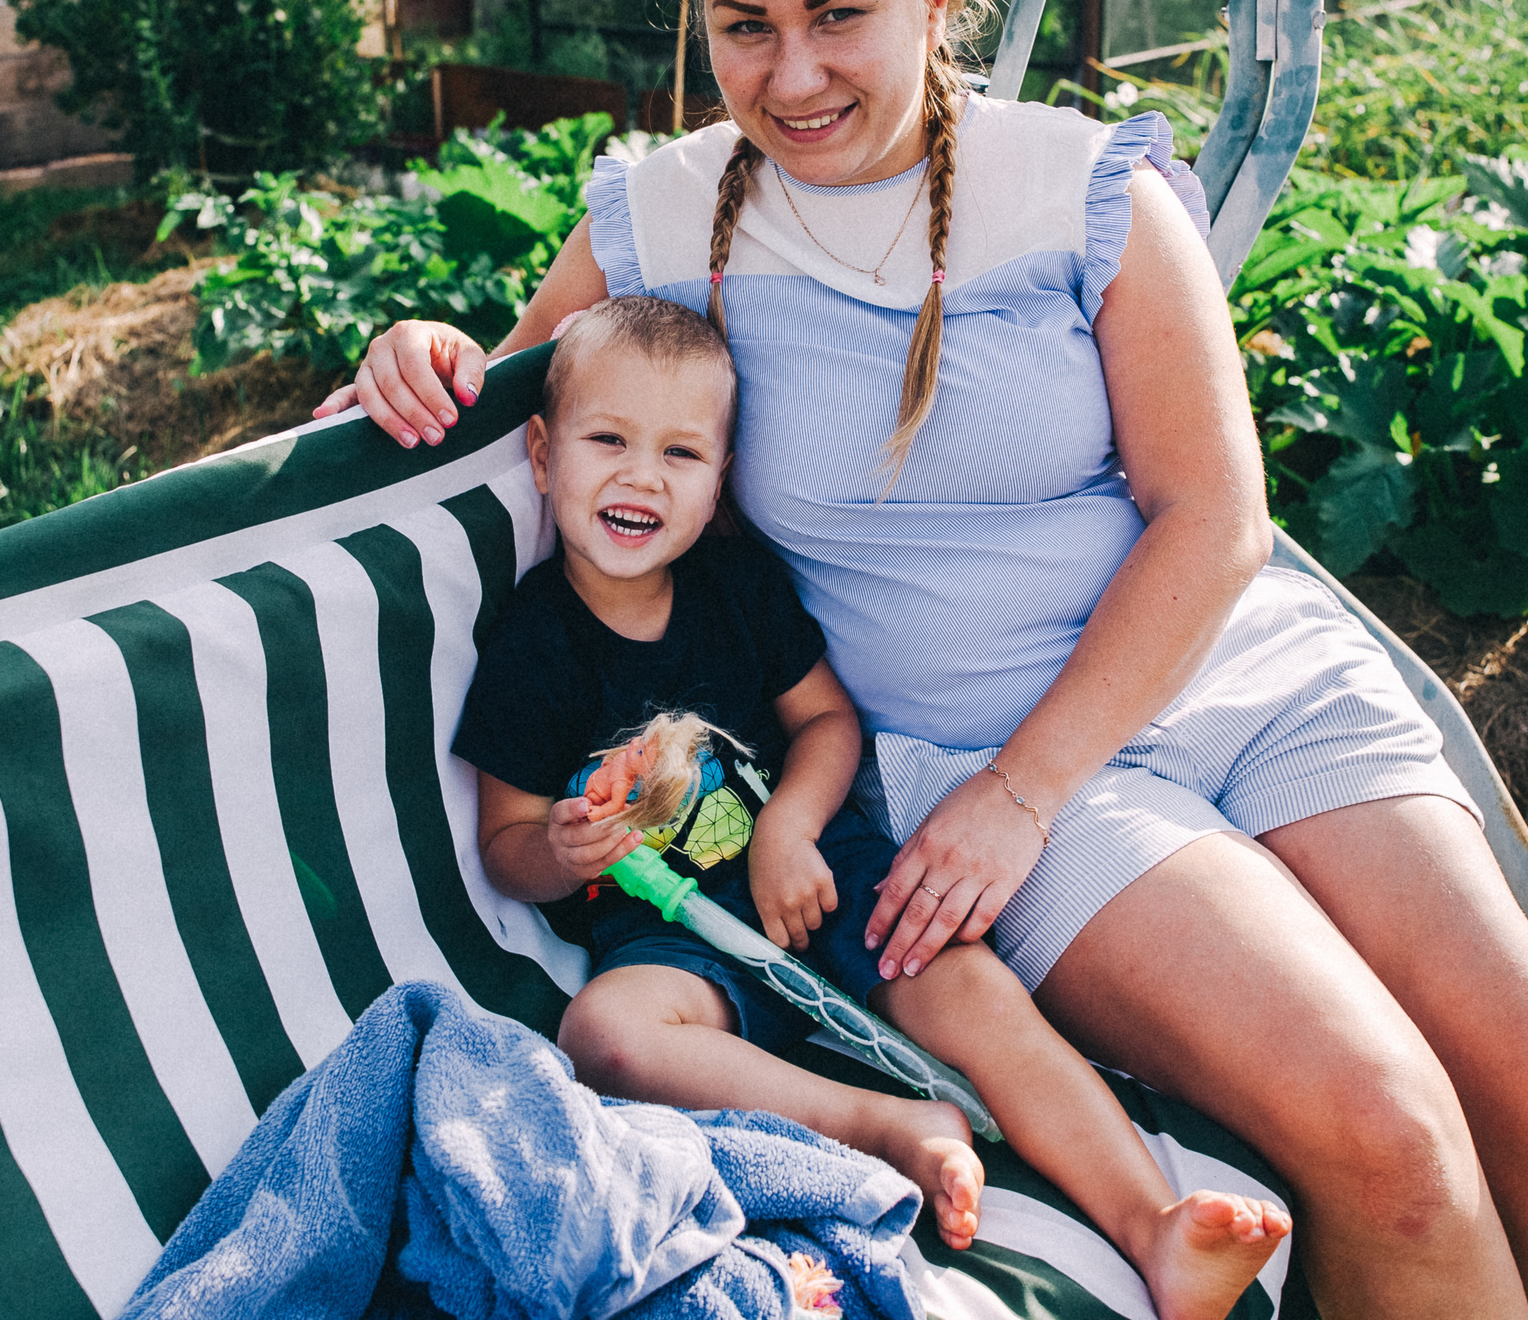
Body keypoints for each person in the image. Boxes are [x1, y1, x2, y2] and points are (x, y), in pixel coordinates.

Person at [322, 0, 1528, 1319]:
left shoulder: (1084, 189)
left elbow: (1215, 514)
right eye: (743, 27)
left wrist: (1023, 791)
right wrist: (413, 346)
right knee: (1392, 1143)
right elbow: (498, 409)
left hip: (1219, 686)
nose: (792, 74)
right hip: (976, 754)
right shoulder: (659, 216)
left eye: (839, 14)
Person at [453, 294, 1291, 1319]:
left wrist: (791, 830)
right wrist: (561, 847)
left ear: (720, 482)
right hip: (674, 938)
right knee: (605, 1034)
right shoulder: (535, 643)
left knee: (973, 994)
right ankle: (882, 1124)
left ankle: (1153, 1226)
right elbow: (505, 846)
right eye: (607, 440)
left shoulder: (731, 587)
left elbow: (826, 725)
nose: (639, 476)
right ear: (542, 455)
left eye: (680, 454)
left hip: (827, 877)